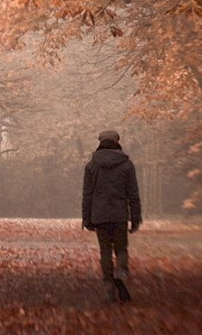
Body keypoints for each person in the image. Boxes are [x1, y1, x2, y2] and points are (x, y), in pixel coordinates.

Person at [81, 129, 141, 302]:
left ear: (100, 142)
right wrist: (135, 218)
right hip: (120, 215)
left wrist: (86, 218)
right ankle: (121, 274)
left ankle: (109, 288)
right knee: (121, 249)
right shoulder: (127, 165)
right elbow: (133, 194)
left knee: (105, 250)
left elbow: (87, 194)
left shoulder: (92, 166)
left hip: (99, 215)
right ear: (117, 142)